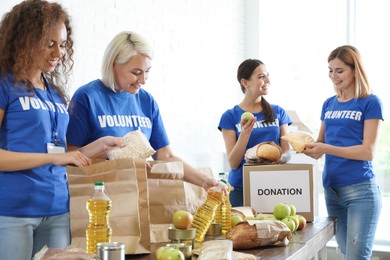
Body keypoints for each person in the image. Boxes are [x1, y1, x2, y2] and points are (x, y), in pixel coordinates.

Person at [0, 1, 124, 259]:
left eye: (63, 44)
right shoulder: (4, 85)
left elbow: (63, 154)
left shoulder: (54, 94)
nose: (59, 52)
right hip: (12, 210)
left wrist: (99, 146)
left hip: (58, 209)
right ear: (25, 39)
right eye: (50, 43)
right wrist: (55, 157)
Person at [66, 31, 219, 191]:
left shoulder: (147, 101)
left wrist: (205, 181)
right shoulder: (87, 97)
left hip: (135, 196)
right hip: (97, 197)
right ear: (114, 65)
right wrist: (109, 153)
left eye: (147, 71)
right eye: (136, 72)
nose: (144, 80)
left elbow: (165, 156)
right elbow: (70, 156)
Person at [303, 45, 383, 259]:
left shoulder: (370, 102)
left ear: (355, 70)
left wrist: (326, 148)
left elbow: (368, 152)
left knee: (356, 257)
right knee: (346, 253)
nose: (333, 76)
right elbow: (320, 144)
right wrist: (302, 143)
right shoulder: (328, 104)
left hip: (360, 191)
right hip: (332, 190)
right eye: (330, 70)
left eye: (339, 71)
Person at [218, 59, 292, 207]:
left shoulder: (278, 112)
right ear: (245, 82)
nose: (267, 80)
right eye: (261, 76)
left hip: (273, 186)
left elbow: (287, 151)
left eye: (267, 75)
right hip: (240, 189)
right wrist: (245, 133)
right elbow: (233, 163)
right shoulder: (230, 116)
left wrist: (280, 159)